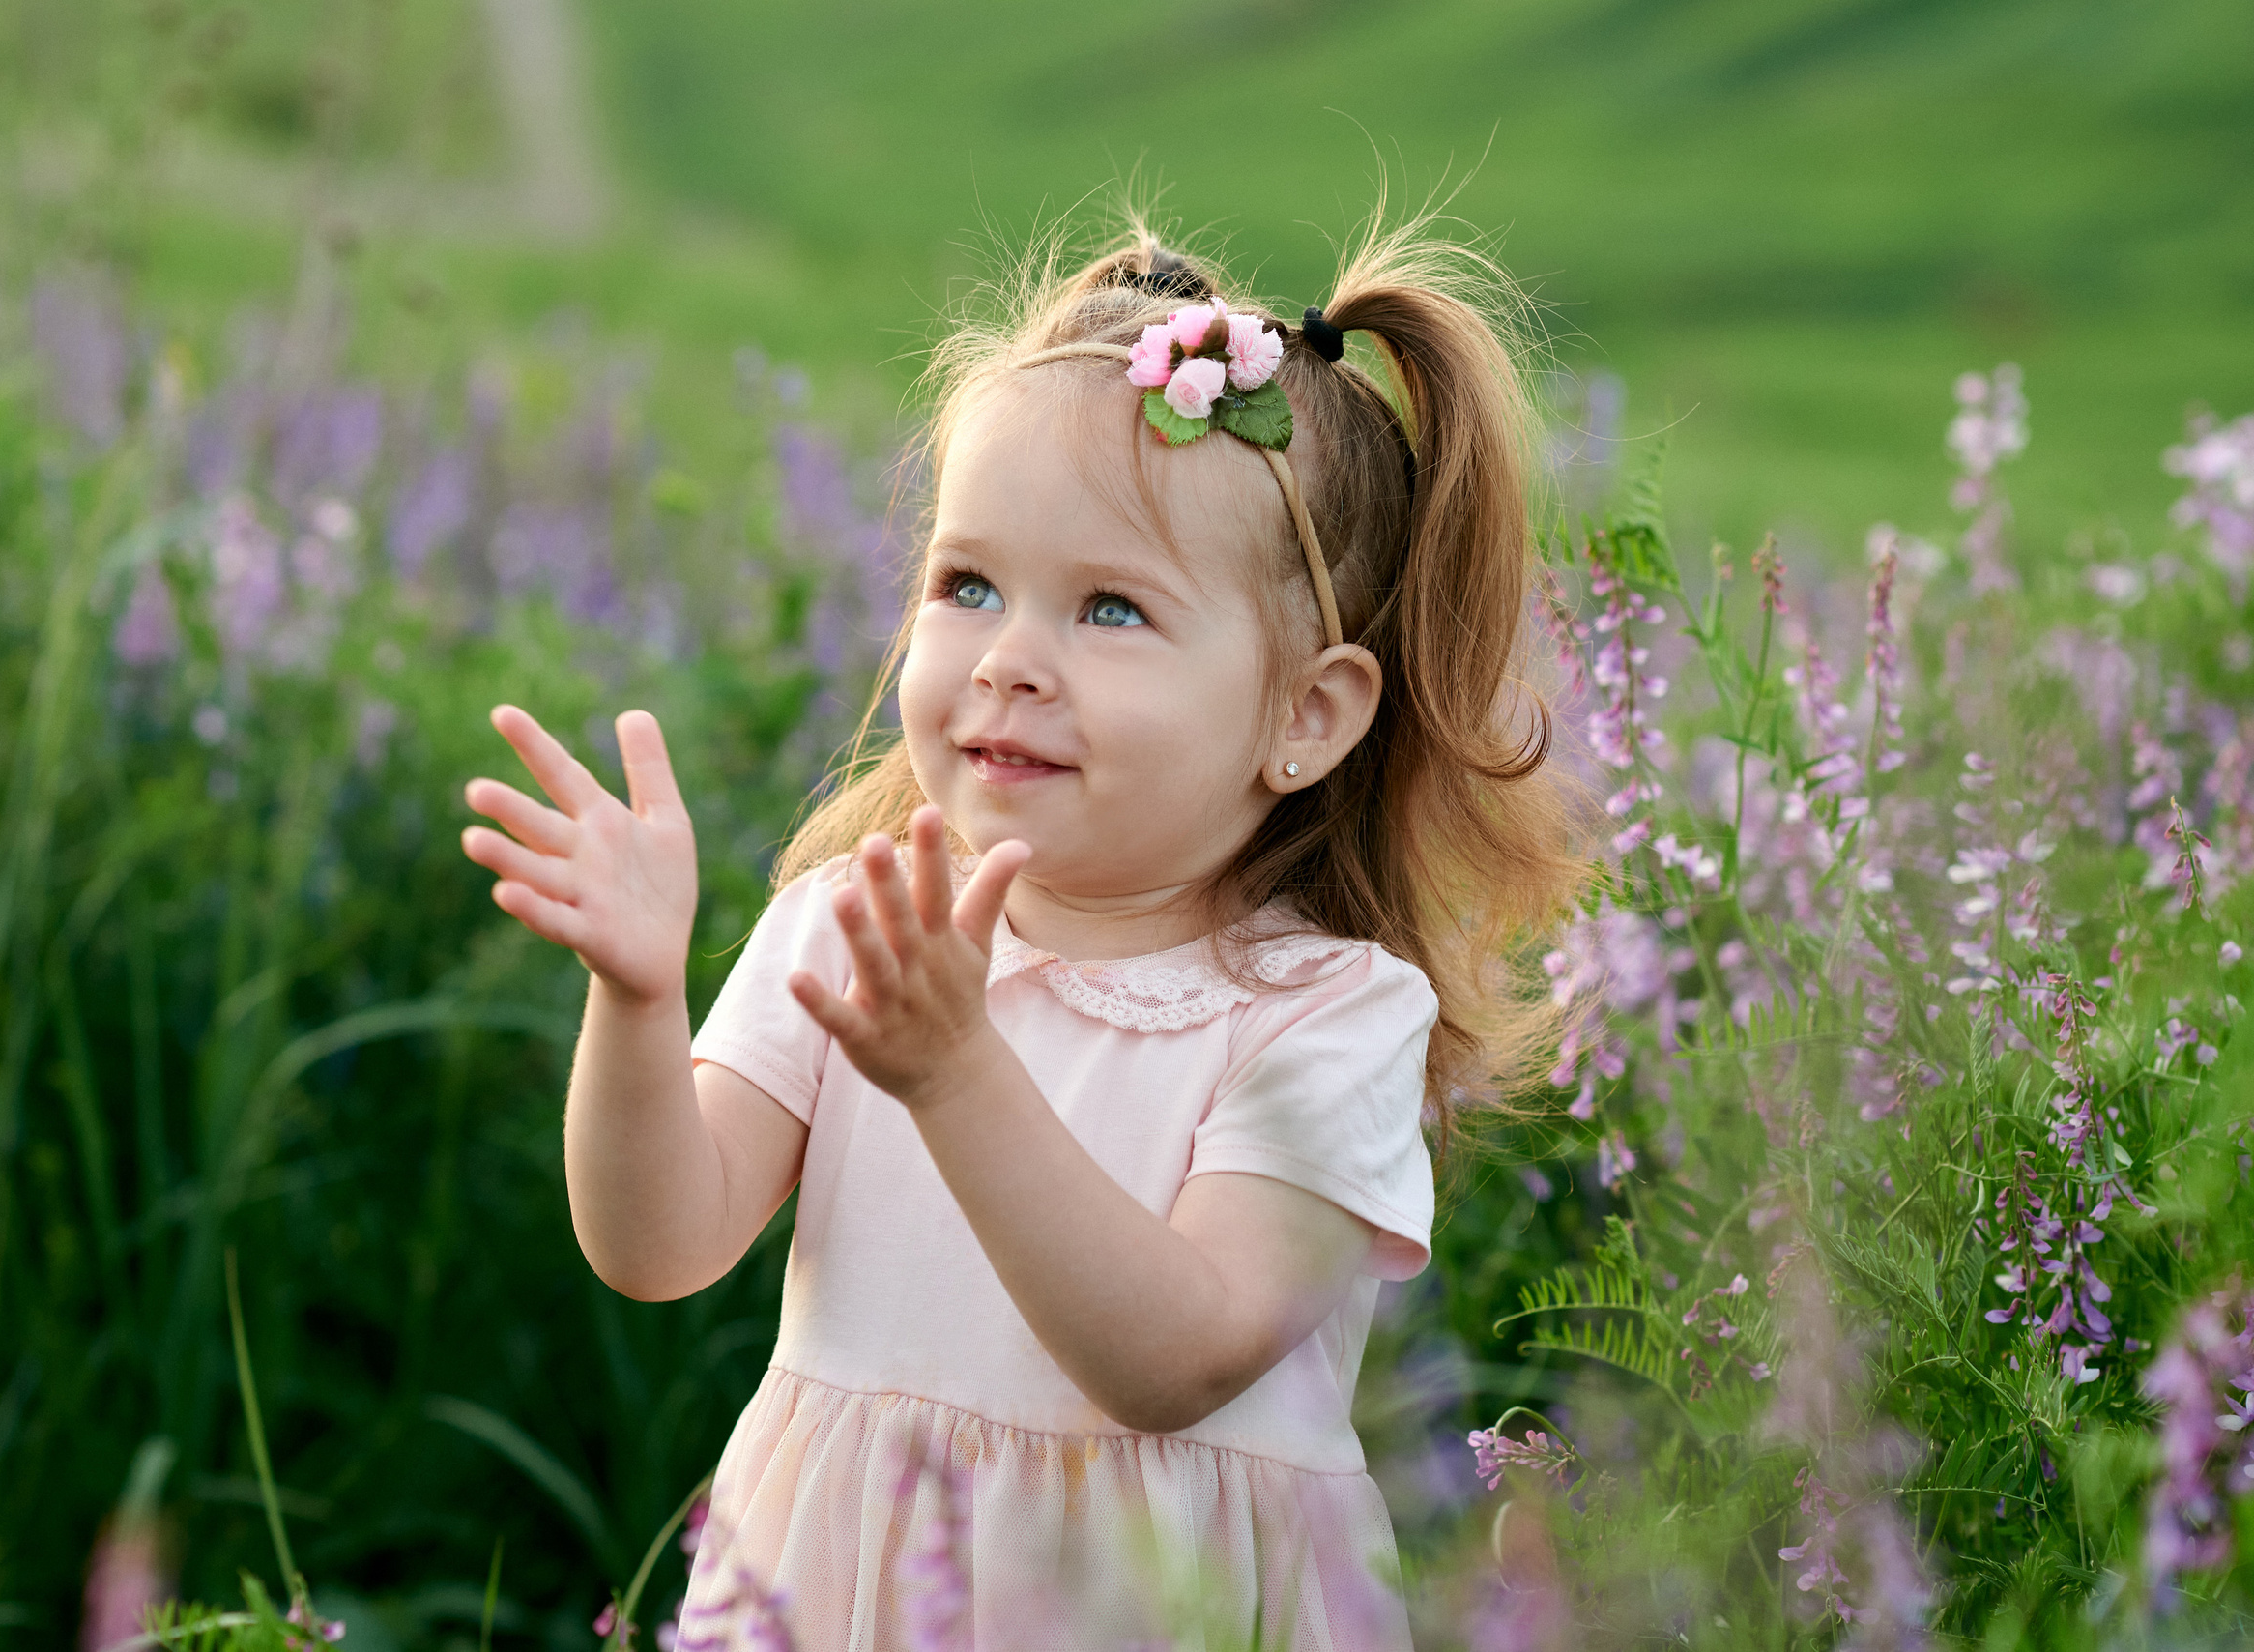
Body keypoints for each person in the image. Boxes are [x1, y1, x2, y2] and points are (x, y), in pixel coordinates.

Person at [460, 211, 1587, 1649]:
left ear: (1308, 712)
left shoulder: (1328, 1019)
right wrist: (636, 1000)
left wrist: (955, 1071)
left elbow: (1173, 1355)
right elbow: (657, 1241)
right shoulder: (850, 926)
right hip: (840, 1594)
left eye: (1110, 608)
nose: (1008, 660)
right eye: (967, 585)